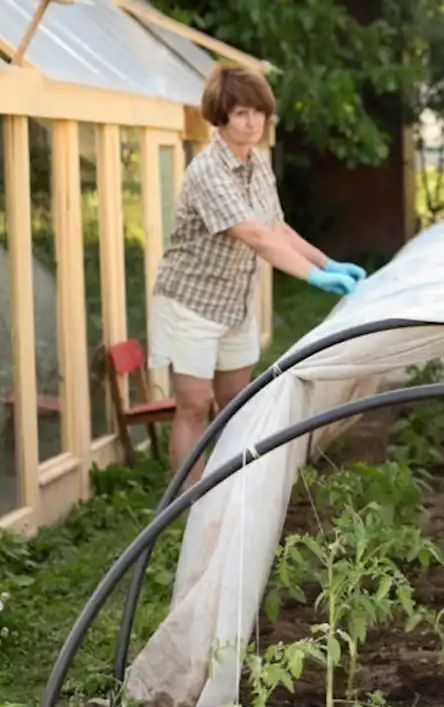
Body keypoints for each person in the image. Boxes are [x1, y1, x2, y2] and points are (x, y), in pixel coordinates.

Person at [149, 62, 367, 483]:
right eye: (241, 114)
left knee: (233, 403)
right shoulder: (209, 171)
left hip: (234, 303)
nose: (252, 123)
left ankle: (230, 490)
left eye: (258, 112)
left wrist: (327, 263)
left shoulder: (257, 163)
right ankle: (190, 503)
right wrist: (313, 278)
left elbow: (276, 226)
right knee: (194, 405)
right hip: (190, 304)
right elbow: (254, 236)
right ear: (221, 117)